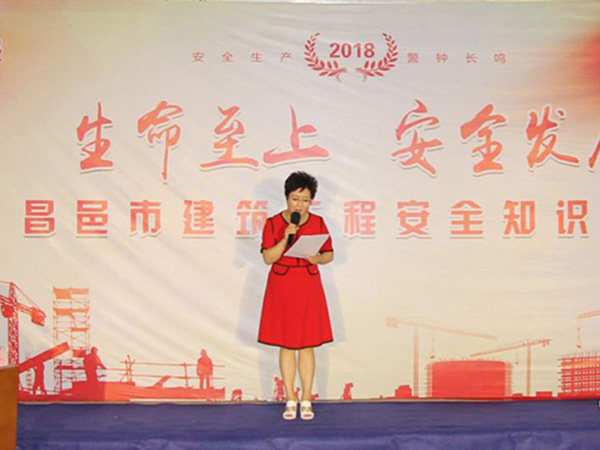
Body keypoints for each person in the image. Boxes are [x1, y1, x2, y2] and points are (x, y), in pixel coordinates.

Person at [258, 171, 334, 421]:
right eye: (295, 199)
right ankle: (290, 398)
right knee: (287, 343)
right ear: (286, 197)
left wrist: (318, 258)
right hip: (282, 284)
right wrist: (285, 238)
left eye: (305, 200)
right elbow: (268, 257)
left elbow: (329, 254)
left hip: (308, 283)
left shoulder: (318, 222)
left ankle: (307, 398)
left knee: (308, 343)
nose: (300, 205)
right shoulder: (273, 223)